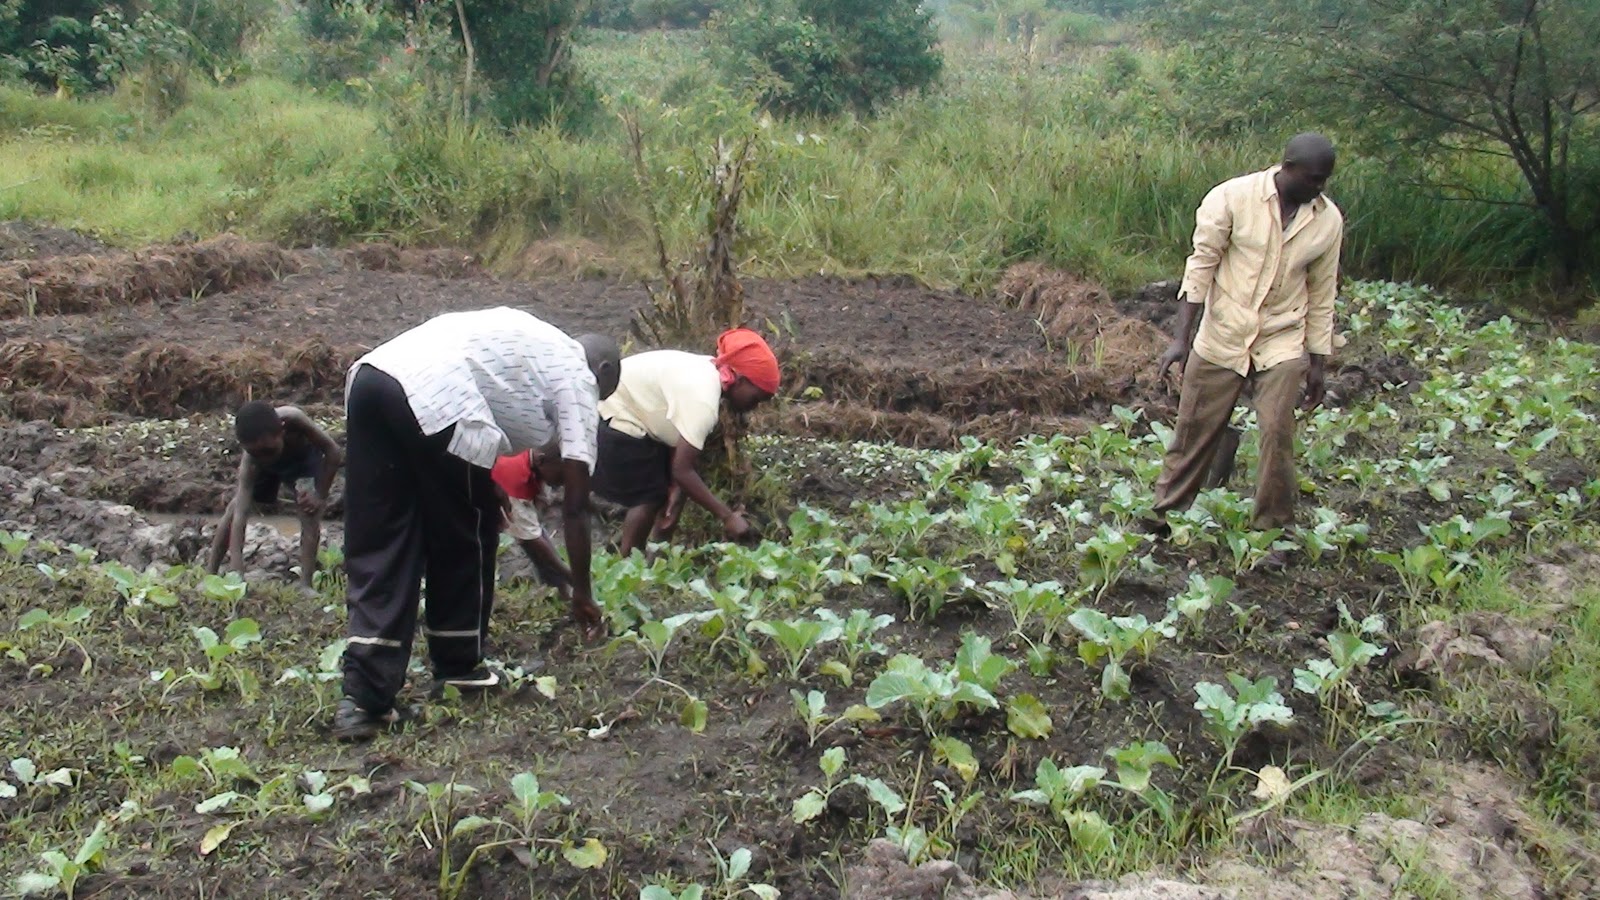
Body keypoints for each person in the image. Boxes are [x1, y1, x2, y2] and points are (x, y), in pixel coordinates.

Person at [334, 307, 620, 741]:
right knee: (465, 534)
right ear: (600, 370)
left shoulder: (532, 340)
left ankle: (363, 701)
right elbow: (576, 505)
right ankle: (460, 667)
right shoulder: (577, 375)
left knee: (382, 539)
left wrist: (483, 480)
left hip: (373, 379)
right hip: (437, 397)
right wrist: (581, 591)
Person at [1150, 133, 1343, 561]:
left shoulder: (1327, 220)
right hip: (1225, 329)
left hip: (1281, 334)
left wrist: (1317, 364)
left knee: (1277, 431)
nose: (1320, 188)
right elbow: (1201, 267)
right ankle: (1164, 512)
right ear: (1287, 167)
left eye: (1325, 180)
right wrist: (1181, 340)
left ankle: (1273, 529)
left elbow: (1322, 292)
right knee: (1196, 427)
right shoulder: (1231, 198)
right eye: (1313, 179)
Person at [590, 328, 780, 557]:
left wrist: (677, 489)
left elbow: (679, 464)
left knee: (672, 493)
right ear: (740, 379)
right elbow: (682, 470)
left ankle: (658, 558)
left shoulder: (708, 371)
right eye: (756, 397)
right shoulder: (703, 398)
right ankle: (630, 565)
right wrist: (728, 517)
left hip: (635, 416)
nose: (755, 406)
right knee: (648, 495)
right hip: (612, 414)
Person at [205, 402, 342, 591]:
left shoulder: (294, 419)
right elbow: (240, 515)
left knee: (309, 513)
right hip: (264, 471)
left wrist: (320, 494)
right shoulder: (254, 459)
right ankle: (210, 574)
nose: (264, 456)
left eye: (268, 451)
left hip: (302, 462)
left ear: (283, 431)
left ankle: (305, 585)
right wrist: (237, 572)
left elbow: (333, 451)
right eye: (255, 452)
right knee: (233, 510)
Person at [490, 447, 574, 596]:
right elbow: (532, 539)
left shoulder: (533, 458)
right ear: (541, 461)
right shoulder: (516, 479)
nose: (562, 482)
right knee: (538, 545)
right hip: (484, 504)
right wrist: (572, 577)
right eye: (561, 476)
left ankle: (560, 587)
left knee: (539, 538)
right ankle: (562, 587)